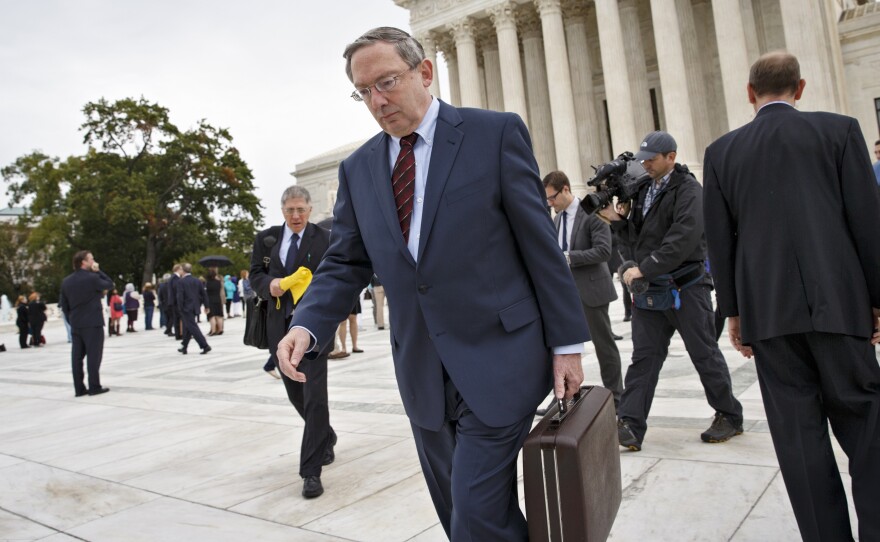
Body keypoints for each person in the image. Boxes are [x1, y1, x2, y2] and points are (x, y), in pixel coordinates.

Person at [275, 28, 588, 539]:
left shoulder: (495, 134)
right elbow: (345, 262)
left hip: (500, 357)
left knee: (475, 513)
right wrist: (307, 325)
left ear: (424, 72)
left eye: (387, 82)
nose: (377, 101)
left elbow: (540, 249)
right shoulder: (359, 169)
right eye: (364, 92)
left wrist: (568, 345)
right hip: (422, 370)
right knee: (459, 515)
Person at [703, 51, 880, 542]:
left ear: (749, 93)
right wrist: (877, 298)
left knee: (800, 444)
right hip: (841, 306)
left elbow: (720, 242)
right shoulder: (840, 131)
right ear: (800, 89)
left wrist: (734, 312)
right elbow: (867, 223)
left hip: (769, 315)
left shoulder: (721, 153)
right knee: (868, 427)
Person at [598, 130, 743, 452]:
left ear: (671, 157)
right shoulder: (644, 191)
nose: (645, 165)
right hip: (652, 290)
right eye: (643, 159)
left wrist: (644, 268)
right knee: (644, 358)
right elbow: (637, 239)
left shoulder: (690, 190)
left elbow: (684, 237)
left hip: (687, 288)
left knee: (704, 354)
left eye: (651, 160)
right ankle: (631, 425)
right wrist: (618, 222)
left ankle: (729, 414)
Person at [250, 185, 335, 499]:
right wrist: (268, 284)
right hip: (278, 327)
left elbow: (333, 277)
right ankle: (326, 435)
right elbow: (255, 275)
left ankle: (311, 472)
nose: (296, 215)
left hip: (313, 330)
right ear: (282, 211)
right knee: (296, 395)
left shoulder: (325, 238)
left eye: (301, 209)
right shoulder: (267, 239)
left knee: (315, 398)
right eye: (290, 210)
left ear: (310, 209)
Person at [543, 170, 623, 407]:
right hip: (563, 296)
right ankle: (561, 396)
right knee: (561, 349)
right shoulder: (556, 220)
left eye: (553, 197)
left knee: (604, 345)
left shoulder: (592, 213)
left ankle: (615, 396)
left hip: (591, 290)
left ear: (566, 189)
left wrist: (567, 257)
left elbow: (603, 251)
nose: (550, 203)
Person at [59, 250, 114, 396]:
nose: (93, 261)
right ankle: (94, 386)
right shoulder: (92, 278)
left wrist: (72, 320)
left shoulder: (66, 281)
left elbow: (64, 306)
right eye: (91, 259)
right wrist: (98, 270)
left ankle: (79, 388)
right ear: (84, 262)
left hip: (76, 324)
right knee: (93, 356)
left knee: (77, 357)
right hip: (93, 322)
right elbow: (109, 284)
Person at [176, 263, 210, 355]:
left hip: (186, 308)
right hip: (195, 306)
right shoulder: (197, 280)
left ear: (183, 270)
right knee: (188, 327)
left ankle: (205, 345)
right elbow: (204, 294)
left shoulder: (181, 282)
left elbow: (180, 297)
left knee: (192, 327)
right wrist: (206, 306)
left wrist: (180, 308)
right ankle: (184, 346)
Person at [205, 268, 225, 336]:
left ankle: (213, 330)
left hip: (210, 300)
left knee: (212, 316)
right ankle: (220, 329)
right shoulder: (218, 282)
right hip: (218, 299)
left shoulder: (207, 283)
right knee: (219, 315)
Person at [166, 264, 183, 339]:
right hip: (176, 301)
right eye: (181, 269)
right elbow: (177, 290)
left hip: (173, 301)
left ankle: (179, 333)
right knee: (177, 318)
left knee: (177, 318)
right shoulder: (175, 278)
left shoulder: (173, 278)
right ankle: (178, 334)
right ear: (178, 269)